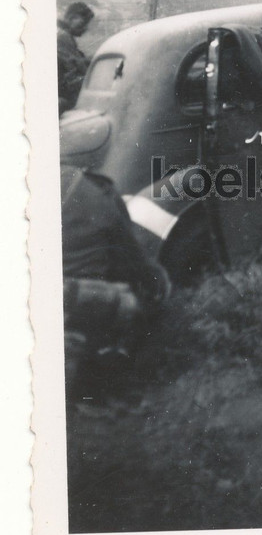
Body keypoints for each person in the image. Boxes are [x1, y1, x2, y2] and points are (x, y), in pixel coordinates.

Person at [61, 161, 171, 402]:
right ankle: (103, 387)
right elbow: (134, 261)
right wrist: (156, 280)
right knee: (128, 303)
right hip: (68, 298)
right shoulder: (99, 192)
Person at [57, 2, 94, 114]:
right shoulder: (62, 37)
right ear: (72, 18)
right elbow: (77, 67)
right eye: (83, 23)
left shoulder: (62, 34)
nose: (85, 28)